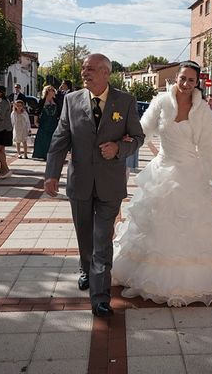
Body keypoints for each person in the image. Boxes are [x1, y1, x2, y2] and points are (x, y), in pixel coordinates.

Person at [112, 60, 212, 308]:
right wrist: (123, 140)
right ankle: (147, 275)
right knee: (156, 226)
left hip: (190, 175)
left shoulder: (202, 110)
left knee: (190, 228)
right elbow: (143, 129)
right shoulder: (161, 101)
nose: (185, 84)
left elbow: (207, 147)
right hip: (161, 172)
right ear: (177, 78)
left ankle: (191, 280)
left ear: (197, 83)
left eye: (191, 80)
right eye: (182, 78)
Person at [44, 53, 144, 318]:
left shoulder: (125, 101)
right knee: (84, 235)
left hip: (110, 184)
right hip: (80, 182)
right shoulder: (71, 100)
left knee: (102, 240)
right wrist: (51, 174)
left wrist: (120, 148)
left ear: (105, 72)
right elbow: (59, 139)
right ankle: (86, 269)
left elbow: (138, 137)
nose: (84, 73)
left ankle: (100, 298)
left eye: (90, 69)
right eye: (84, 69)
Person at [32, 85, 60, 160]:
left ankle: (52, 154)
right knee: (43, 139)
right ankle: (44, 155)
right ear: (47, 92)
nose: (53, 92)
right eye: (51, 91)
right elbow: (37, 112)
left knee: (53, 139)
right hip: (44, 122)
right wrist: (35, 121)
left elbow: (60, 111)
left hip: (54, 122)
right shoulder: (42, 101)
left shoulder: (56, 101)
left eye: (53, 91)